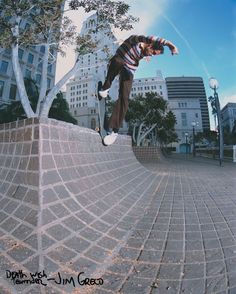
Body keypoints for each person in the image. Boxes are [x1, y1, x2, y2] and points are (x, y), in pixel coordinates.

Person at [99, 35, 179, 146]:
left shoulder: (145, 52)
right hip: (119, 59)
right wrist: (171, 45)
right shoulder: (135, 40)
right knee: (117, 61)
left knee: (125, 97)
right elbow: (153, 38)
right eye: (153, 52)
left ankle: (114, 131)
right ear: (150, 44)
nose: (151, 55)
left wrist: (145, 55)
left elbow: (146, 52)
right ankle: (106, 86)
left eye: (154, 55)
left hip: (129, 69)